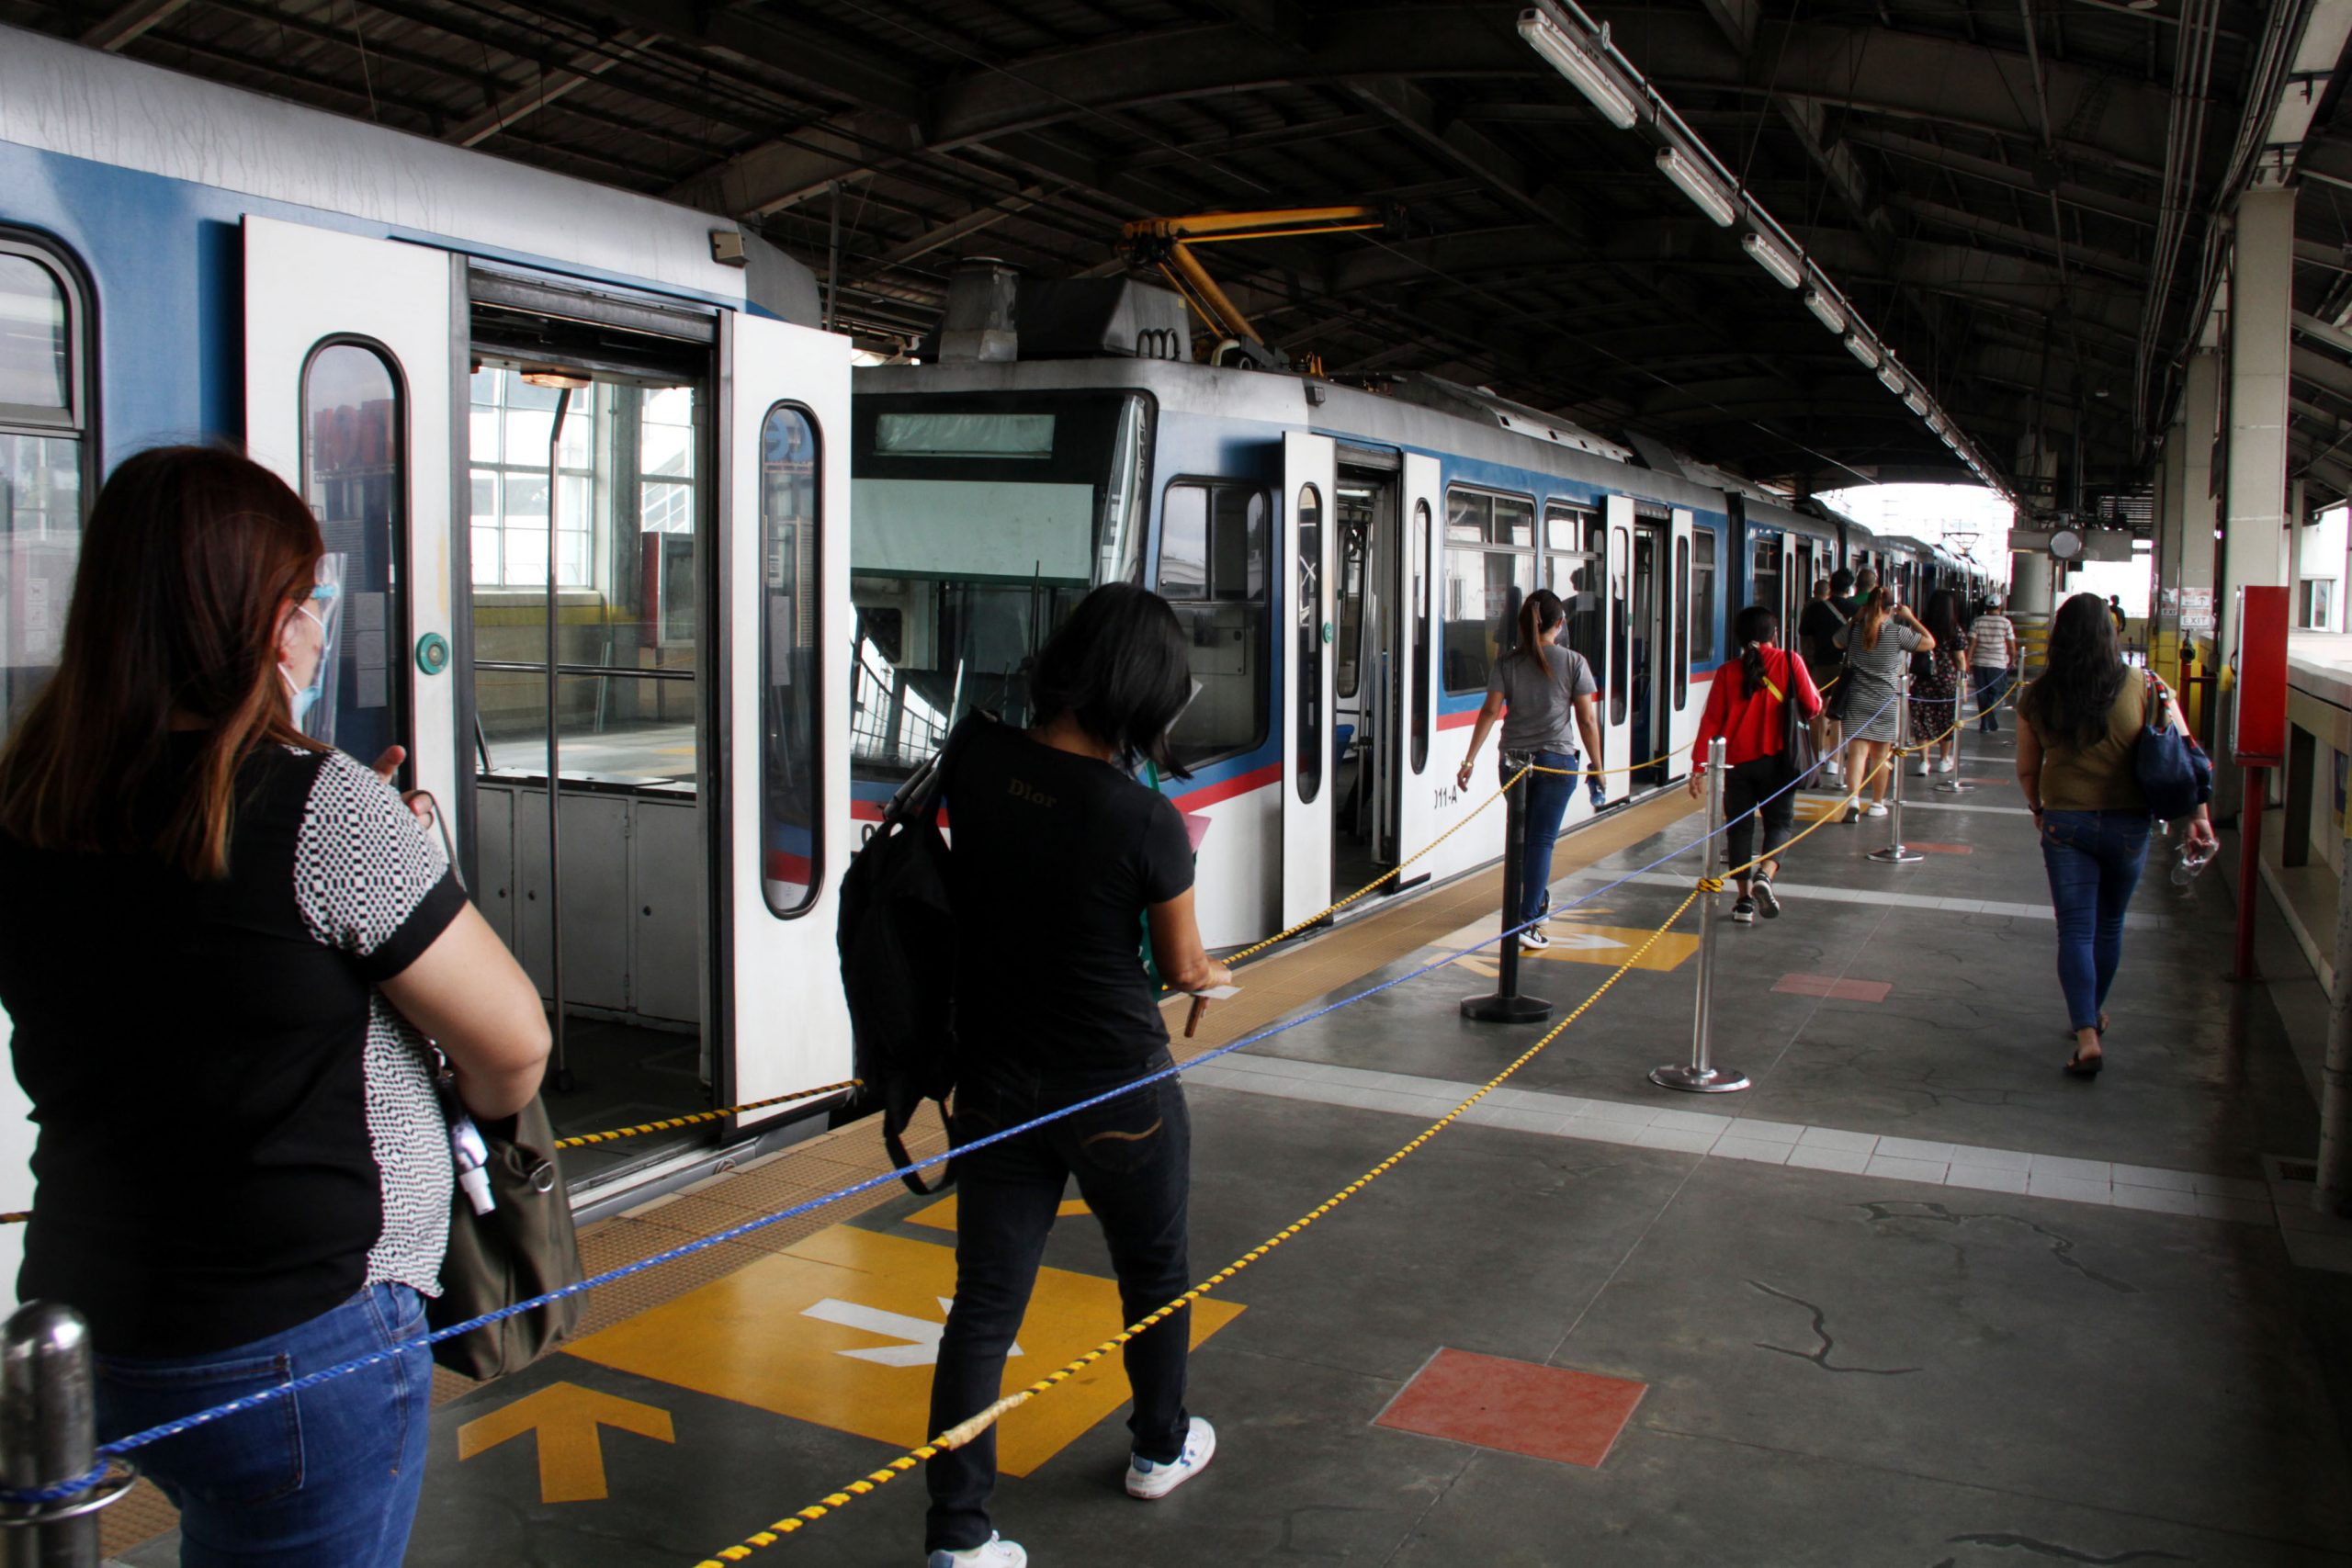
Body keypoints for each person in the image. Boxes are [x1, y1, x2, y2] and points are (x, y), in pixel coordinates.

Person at [0, 446, 549, 1567]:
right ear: (255, 621)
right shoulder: (322, 808)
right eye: (303, 600)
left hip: (87, 1324)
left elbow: (188, 948)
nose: (312, 629)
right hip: (300, 1338)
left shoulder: (29, 796)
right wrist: (378, 845)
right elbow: (513, 1045)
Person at [927, 583, 1228, 1568]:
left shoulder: (975, 760)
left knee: (984, 1304)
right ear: (1143, 693)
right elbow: (1183, 966)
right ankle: (1157, 1447)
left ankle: (959, 1534)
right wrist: (1212, 975)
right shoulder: (1145, 820)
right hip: (1115, 1088)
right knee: (1153, 1274)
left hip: (996, 1077)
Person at [2018, 592, 2216, 1077]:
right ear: (2111, 635)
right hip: (2129, 825)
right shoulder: (2148, 686)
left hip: (2065, 823)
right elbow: (2185, 754)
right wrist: (2199, 817)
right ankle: (2094, 1011)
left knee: (2075, 929)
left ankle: (2086, 1032)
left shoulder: (2038, 695)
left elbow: (2027, 769)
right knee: (2109, 925)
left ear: (2058, 637)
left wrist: (2039, 808)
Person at [1456, 588, 1606, 949]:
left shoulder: (1507, 663)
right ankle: (1527, 921)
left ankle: (1535, 901)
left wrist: (1469, 759)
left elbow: (1490, 711)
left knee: (1522, 838)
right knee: (1541, 841)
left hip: (1513, 763)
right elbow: (1586, 720)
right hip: (1556, 763)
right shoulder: (1574, 662)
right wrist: (1598, 766)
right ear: (1560, 623)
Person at [1689, 605, 1825, 923]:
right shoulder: (1790, 661)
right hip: (1778, 761)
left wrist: (1698, 767)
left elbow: (1711, 721)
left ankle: (1743, 902)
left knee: (1739, 829)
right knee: (1780, 824)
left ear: (1738, 637)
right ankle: (1766, 874)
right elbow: (1813, 706)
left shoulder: (1727, 671)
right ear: (1773, 634)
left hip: (1737, 764)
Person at [1831, 586, 1934, 821]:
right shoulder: (1898, 632)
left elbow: (1836, 642)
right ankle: (1877, 803)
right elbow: (1930, 643)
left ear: (1866, 606)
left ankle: (1853, 801)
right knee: (1880, 756)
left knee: (1857, 754)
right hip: (1884, 701)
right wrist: (1910, 618)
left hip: (1856, 698)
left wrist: (1855, 619)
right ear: (1891, 609)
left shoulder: (1856, 629)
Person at [1909, 590, 1968, 774]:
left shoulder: (1921, 626)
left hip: (1924, 675)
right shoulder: (1954, 629)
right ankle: (1943, 759)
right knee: (1946, 718)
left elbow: (1912, 649)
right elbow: (1959, 658)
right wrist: (1963, 682)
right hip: (1947, 678)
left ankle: (1923, 761)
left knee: (1921, 718)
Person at [1970, 596, 2018, 731]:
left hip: (1979, 663)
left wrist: (1968, 661)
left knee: (1982, 694)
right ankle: (1990, 714)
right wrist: (2013, 659)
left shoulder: (1977, 621)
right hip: (1998, 664)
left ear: (1986, 607)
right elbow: (2011, 644)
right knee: (1998, 692)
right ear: (2000, 607)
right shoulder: (2006, 623)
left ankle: (1984, 723)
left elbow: (1972, 643)